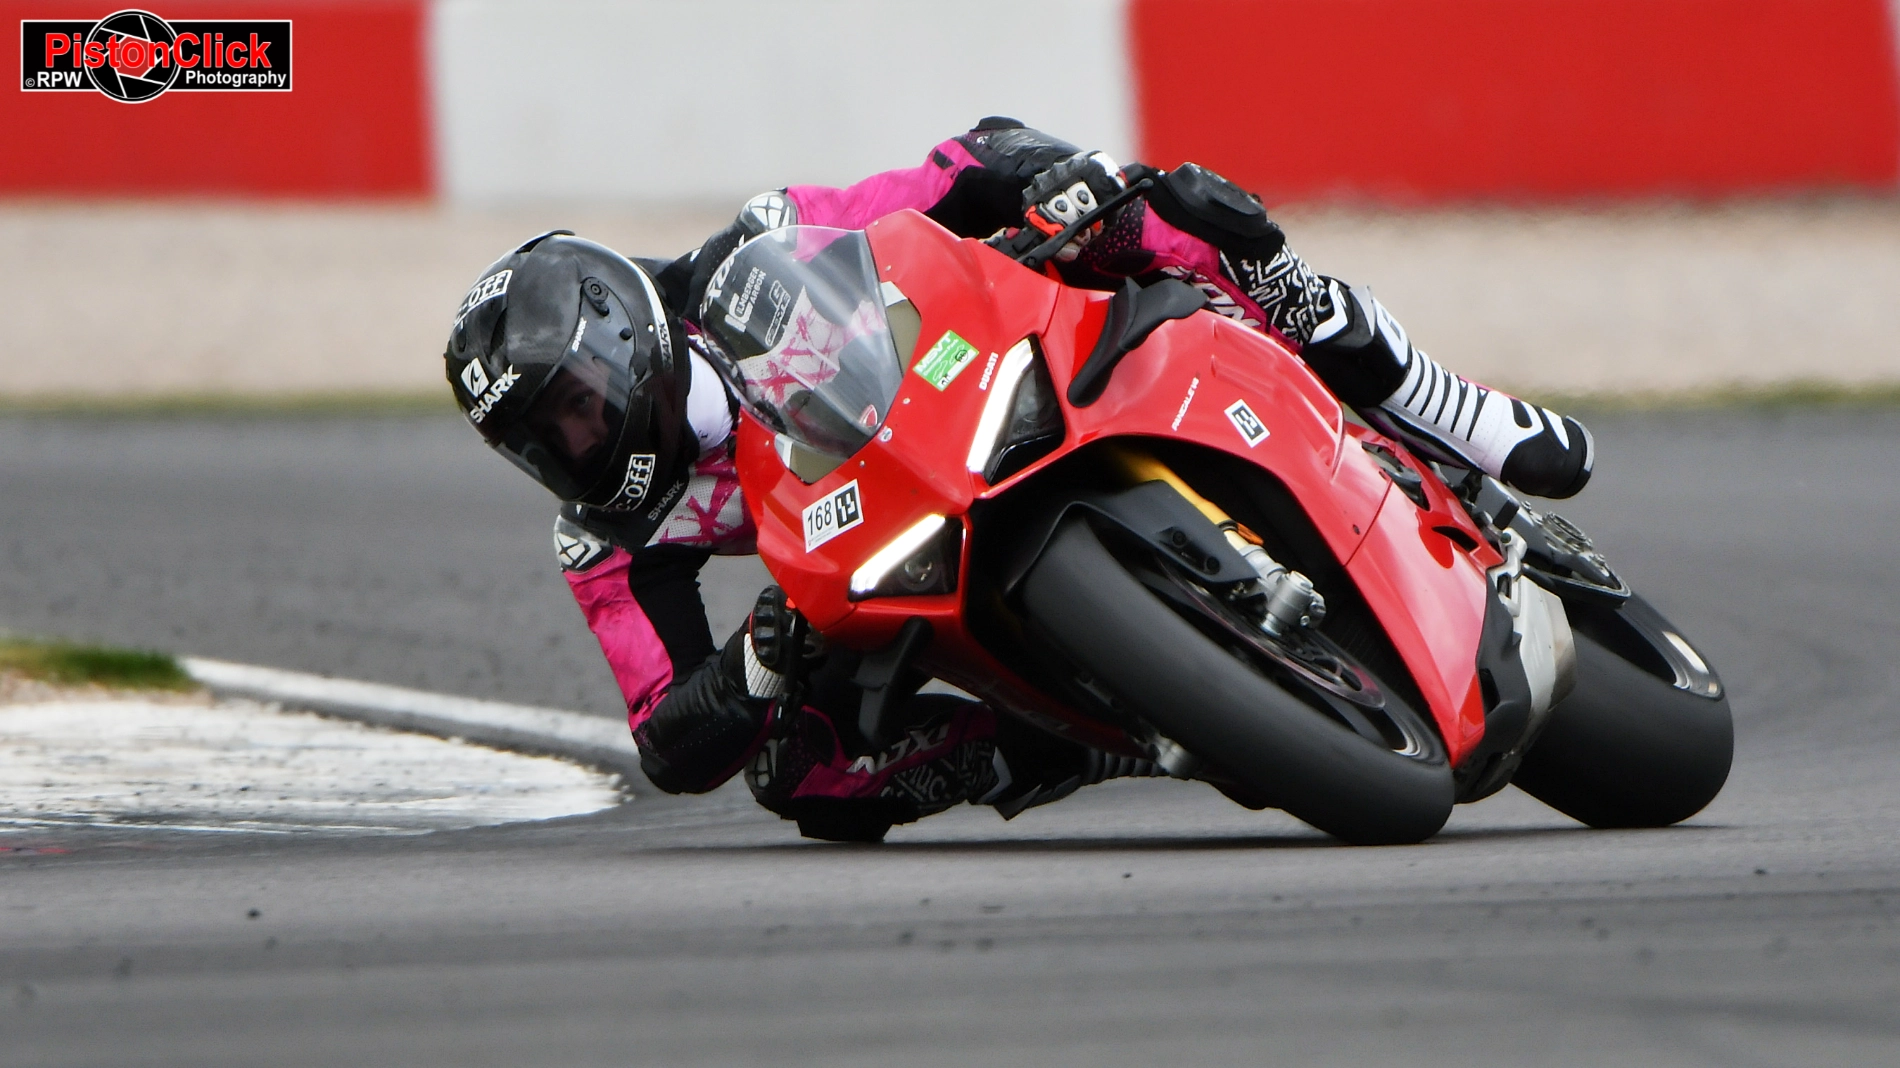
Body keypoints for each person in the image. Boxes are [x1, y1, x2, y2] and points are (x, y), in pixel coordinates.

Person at [443, 119, 1596, 842]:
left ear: (621, 342)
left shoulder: (747, 264)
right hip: (869, 555)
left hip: (969, 392)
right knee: (802, 779)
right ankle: (1082, 738)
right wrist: (757, 661)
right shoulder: (602, 538)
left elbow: (947, 175)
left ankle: (1445, 411)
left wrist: (1052, 181)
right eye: (547, 439)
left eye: (580, 406)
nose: (579, 444)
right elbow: (667, 737)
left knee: (1172, 211)